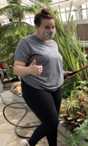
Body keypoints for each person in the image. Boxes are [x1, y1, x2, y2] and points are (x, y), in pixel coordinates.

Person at [13, 8, 68, 146]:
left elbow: (53, 63)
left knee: (51, 124)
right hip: (36, 88)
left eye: (53, 27)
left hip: (56, 87)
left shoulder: (53, 43)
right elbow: (16, 69)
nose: (51, 30)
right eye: (47, 27)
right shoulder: (26, 43)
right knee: (52, 121)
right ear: (37, 27)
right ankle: (30, 143)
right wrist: (30, 70)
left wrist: (62, 73)